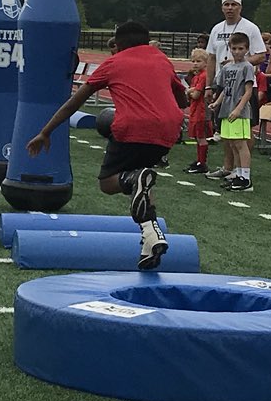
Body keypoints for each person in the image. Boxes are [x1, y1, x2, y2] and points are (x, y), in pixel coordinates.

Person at [28, 20, 185, 270]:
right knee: (142, 182)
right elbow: (182, 99)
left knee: (109, 182)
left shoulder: (113, 62)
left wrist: (45, 132)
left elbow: (74, 102)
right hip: (167, 131)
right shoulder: (161, 59)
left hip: (132, 127)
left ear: (119, 44)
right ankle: (150, 237)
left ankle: (133, 180)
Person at [209, 31, 257, 190]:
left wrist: (238, 109)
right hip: (226, 109)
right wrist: (217, 103)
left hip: (238, 111)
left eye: (241, 48)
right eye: (234, 48)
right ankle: (237, 173)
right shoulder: (227, 67)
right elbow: (225, 89)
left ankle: (246, 178)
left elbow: (248, 90)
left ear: (247, 49)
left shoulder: (247, 67)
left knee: (240, 143)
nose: (237, 51)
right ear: (230, 48)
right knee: (231, 143)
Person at [204, 0, 266, 84]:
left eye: (233, 5)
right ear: (222, 8)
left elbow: (261, 56)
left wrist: (236, 63)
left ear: (240, 8)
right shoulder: (216, 29)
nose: (230, 8)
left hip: (244, 82)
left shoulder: (251, 28)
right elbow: (212, 58)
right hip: (221, 82)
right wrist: (208, 86)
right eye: (226, 5)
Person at [183, 45, 211, 173]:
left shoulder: (204, 76)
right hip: (195, 110)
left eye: (198, 61)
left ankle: (202, 163)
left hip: (201, 111)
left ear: (206, 63)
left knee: (201, 137)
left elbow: (196, 94)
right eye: (193, 61)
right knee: (197, 137)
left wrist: (189, 91)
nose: (195, 64)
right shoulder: (196, 76)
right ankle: (199, 160)